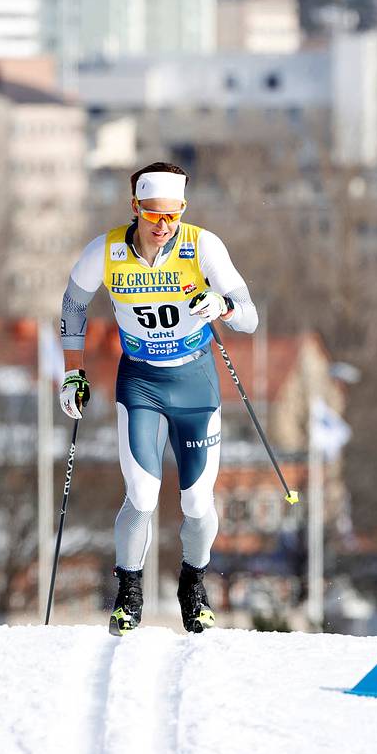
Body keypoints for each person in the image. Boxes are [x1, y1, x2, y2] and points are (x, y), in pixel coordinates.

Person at [59, 161, 259, 636]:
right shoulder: (105, 251)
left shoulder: (202, 246)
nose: (164, 225)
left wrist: (223, 306)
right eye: (153, 214)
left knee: (197, 502)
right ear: (135, 207)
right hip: (141, 382)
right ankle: (128, 595)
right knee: (142, 494)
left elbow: (250, 317)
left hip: (195, 384)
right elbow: (73, 303)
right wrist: (73, 372)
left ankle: (193, 585)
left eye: (173, 214)